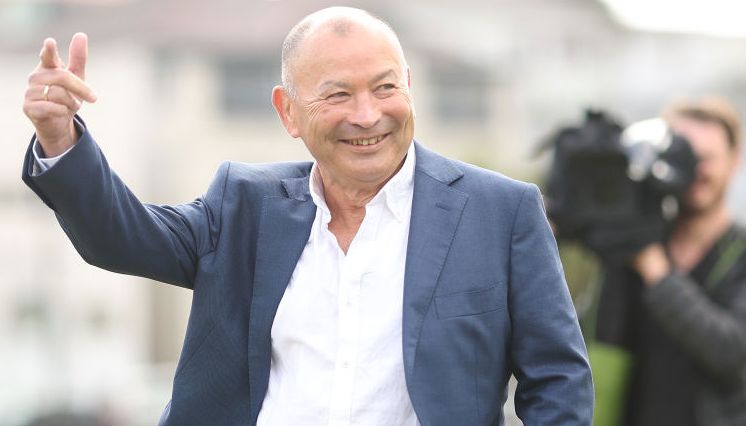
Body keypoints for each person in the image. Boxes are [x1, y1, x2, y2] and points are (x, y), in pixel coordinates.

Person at [21, 7, 593, 426]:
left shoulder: (500, 210)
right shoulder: (243, 204)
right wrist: (60, 138)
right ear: (288, 112)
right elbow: (123, 239)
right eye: (337, 95)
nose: (367, 115)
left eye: (385, 87)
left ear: (410, 88)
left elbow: (559, 381)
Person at [595, 98, 746, 425]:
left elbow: (733, 349)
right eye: (684, 155)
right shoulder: (633, 246)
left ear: (735, 161)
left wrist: (655, 268)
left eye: (707, 158)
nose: (695, 169)